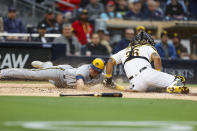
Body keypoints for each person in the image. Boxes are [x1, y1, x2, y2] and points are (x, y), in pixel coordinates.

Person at [103, 31, 189, 94]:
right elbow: (157, 58)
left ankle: (156, 88)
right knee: (179, 79)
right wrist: (157, 73)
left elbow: (110, 62)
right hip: (147, 73)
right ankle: (171, 87)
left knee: (151, 89)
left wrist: (109, 79)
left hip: (134, 83)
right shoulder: (146, 47)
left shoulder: (123, 51)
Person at [0, 58, 105, 90]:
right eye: (92, 68)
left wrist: (121, 89)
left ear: (99, 72)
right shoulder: (84, 69)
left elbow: (110, 83)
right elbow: (80, 84)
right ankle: (3, 73)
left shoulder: (101, 76)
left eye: (96, 70)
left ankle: (46, 65)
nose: (92, 70)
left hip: (61, 85)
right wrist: (87, 90)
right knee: (33, 75)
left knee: (49, 79)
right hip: (59, 73)